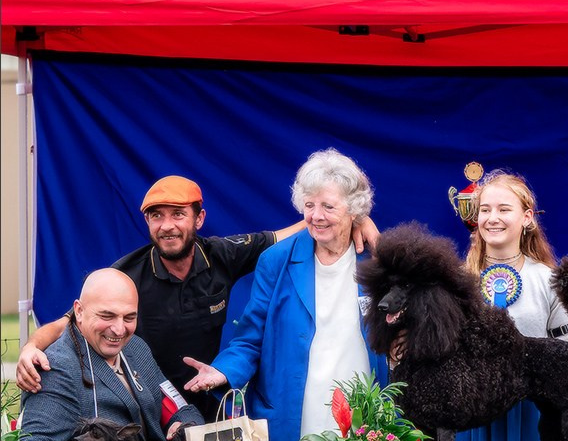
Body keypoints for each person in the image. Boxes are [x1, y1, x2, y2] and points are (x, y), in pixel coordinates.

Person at [15, 174, 380, 421]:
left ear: (199, 218)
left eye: (178, 214)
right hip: (147, 407)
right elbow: (71, 321)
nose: (167, 226)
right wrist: (31, 346)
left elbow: (289, 232)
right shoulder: (126, 275)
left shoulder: (222, 254)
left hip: (210, 401)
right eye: (156, 216)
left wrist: (353, 218)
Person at [183, 149, 389, 441]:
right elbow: (250, 335)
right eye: (309, 205)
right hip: (296, 412)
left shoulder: (380, 258)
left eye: (328, 206)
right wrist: (223, 371)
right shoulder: (276, 260)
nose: (316, 216)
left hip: (361, 413)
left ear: (354, 210)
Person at [20, 268, 204, 441]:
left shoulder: (136, 349)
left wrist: (185, 427)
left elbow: (177, 405)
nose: (119, 329)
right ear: (78, 312)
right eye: (107, 316)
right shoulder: (57, 367)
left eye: (129, 318)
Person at [455, 169, 568, 441]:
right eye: (484, 210)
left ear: (527, 218)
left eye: (503, 209)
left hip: (533, 415)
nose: (492, 218)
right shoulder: (457, 281)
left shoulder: (548, 279)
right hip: (474, 416)